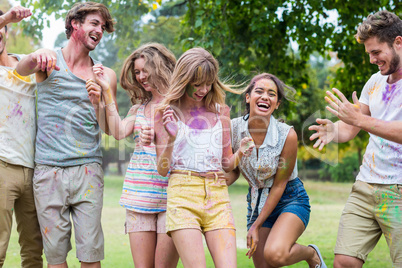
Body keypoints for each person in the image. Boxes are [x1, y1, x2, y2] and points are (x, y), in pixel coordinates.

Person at [16, 2, 117, 267]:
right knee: (56, 258)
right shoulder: (49, 61)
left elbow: (109, 128)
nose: (100, 30)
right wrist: (37, 54)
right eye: (95, 23)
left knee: (90, 256)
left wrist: (101, 102)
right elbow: (20, 70)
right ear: (75, 24)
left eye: (103, 27)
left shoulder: (105, 75)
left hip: (88, 172)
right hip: (49, 172)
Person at [309, 10, 402, 268]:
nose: (372, 60)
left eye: (376, 52)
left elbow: (365, 122)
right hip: (365, 187)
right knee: (344, 263)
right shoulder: (374, 82)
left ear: (398, 42)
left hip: (399, 192)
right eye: (369, 54)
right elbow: (351, 128)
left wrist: (359, 120)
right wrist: (333, 130)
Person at [153, 47, 253, 268]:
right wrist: (170, 139)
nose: (204, 89)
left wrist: (240, 152)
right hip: (182, 193)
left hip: (217, 195)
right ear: (184, 79)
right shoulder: (165, 113)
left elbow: (226, 162)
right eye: (197, 84)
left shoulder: (221, 112)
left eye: (208, 83)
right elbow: (162, 169)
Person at [90, 43, 179, 267]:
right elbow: (118, 131)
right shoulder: (139, 109)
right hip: (139, 197)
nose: (140, 76)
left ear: (159, 67)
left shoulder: (180, 104)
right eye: (137, 72)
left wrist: (164, 134)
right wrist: (104, 95)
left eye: (144, 70)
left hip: (174, 197)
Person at [228, 73, 326, 268]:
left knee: (275, 255)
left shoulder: (286, 135)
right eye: (259, 91)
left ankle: (311, 253)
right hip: (257, 199)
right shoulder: (233, 128)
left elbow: (280, 184)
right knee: (264, 265)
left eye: (271, 94)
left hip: (290, 198)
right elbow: (233, 169)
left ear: (277, 103)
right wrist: (216, 181)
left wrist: (255, 226)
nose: (265, 96)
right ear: (248, 97)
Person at [0, 6, 43, 267]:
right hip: (2, 167)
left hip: (33, 169)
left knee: (33, 250)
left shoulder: (24, 64)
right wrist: (6, 17)